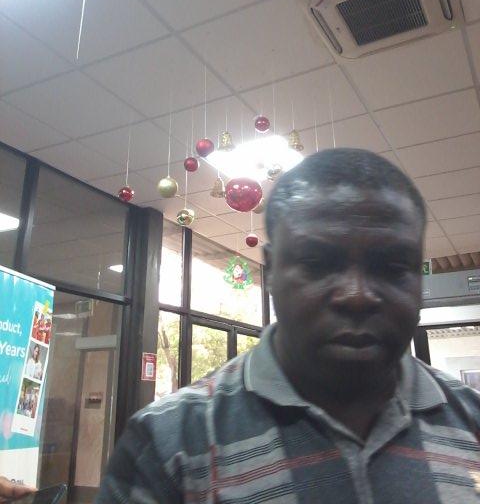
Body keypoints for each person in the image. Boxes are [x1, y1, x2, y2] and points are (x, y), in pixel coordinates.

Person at [96, 149, 480, 503]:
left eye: (393, 267)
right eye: (317, 264)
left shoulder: (473, 420)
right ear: (270, 271)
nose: (356, 296)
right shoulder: (167, 446)